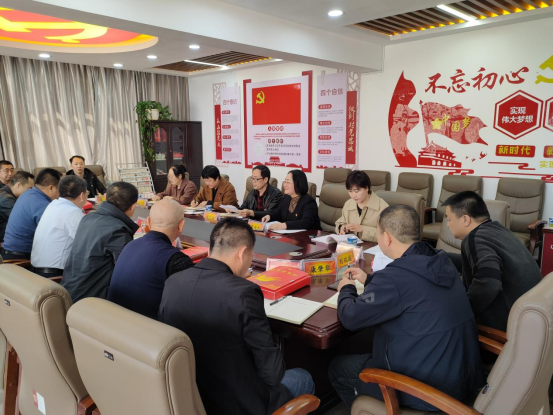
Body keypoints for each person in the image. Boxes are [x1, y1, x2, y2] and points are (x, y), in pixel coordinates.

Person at [329, 204, 484, 410]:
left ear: (387, 238)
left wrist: (346, 289)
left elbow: (350, 317)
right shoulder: (440, 260)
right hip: (461, 377)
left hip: (427, 390)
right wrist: (370, 281)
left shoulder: (395, 277)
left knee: (339, 367)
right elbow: (412, 289)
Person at [159, 218, 315, 415]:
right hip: (239, 403)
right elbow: (273, 374)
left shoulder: (173, 282)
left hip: (191, 398)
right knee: (303, 377)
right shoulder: (244, 293)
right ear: (242, 253)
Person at [443, 191, 542, 331]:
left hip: (506, 329)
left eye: (449, 219)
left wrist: (462, 312)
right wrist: (441, 256)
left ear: (465, 219)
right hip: (530, 321)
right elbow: (477, 265)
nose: (447, 225)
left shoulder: (474, 238)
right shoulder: (499, 230)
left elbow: (489, 283)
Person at [108, 199, 194, 320]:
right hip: (147, 329)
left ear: (148, 222)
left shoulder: (130, 244)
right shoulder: (176, 260)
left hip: (113, 321)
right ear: (181, 225)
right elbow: (191, 304)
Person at [61, 182, 139, 302]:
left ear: (106, 197)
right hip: (92, 301)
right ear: (133, 206)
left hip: (70, 292)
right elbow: (127, 273)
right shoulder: (118, 230)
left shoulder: (87, 218)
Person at [30, 176, 88, 278]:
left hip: (36, 270)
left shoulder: (53, 204)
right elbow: (86, 243)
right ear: (81, 195)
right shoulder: (73, 212)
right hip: (54, 275)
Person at [1, 168, 61, 260]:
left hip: (9, 251)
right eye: (60, 189)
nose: (60, 194)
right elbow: (54, 234)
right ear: (51, 188)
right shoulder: (40, 204)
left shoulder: (28, 193)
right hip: (21, 258)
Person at [335, 170, 388, 242]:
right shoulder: (348, 204)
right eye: (350, 191)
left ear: (367, 188)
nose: (353, 195)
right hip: (351, 245)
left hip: (372, 246)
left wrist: (363, 229)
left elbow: (387, 235)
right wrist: (342, 228)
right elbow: (340, 222)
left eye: (356, 191)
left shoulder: (383, 207)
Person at [0, 171, 35, 242]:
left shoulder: (7, 193)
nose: (31, 192)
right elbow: (21, 220)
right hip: (6, 240)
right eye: (29, 188)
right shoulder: (6, 199)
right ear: (18, 185)